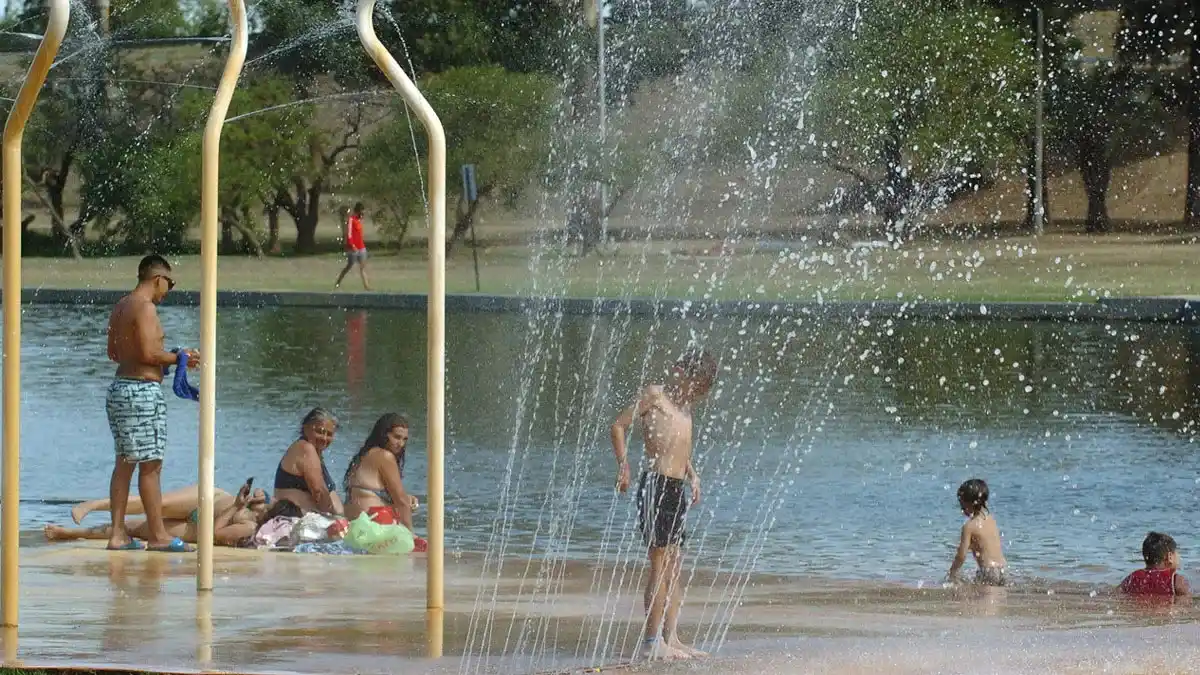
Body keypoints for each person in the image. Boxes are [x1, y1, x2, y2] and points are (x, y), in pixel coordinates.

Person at [610, 348, 718, 661]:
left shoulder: (685, 409)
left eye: (701, 391)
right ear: (680, 372)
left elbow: (680, 450)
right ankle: (651, 641)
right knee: (659, 566)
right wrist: (623, 466)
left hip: (677, 488)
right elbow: (618, 426)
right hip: (655, 485)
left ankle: (672, 638)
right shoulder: (655, 396)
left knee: (674, 568)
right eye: (694, 385)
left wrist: (694, 476)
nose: (695, 394)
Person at [105, 254, 199, 553]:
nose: (167, 291)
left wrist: (165, 357)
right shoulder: (145, 307)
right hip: (142, 392)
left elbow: (114, 354)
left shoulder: (121, 305)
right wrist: (181, 357)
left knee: (124, 463)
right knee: (151, 467)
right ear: (158, 278)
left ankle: (118, 534)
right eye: (169, 284)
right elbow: (148, 352)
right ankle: (158, 535)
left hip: (120, 388)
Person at [46, 484, 277, 548]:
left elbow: (214, 533)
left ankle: (73, 533)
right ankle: (95, 504)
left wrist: (235, 507)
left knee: (137, 528)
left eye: (265, 508)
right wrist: (253, 497)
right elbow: (260, 491)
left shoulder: (249, 525)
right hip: (207, 498)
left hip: (196, 528)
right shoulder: (263, 500)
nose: (261, 504)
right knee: (156, 503)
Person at [343, 413, 422, 531]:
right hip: (373, 528)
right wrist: (411, 535)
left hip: (352, 526)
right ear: (384, 434)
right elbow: (401, 502)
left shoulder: (364, 455)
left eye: (404, 439)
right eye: (396, 437)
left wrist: (406, 498)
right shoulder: (385, 456)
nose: (401, 444)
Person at [274, 407, 345, 515]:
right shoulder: (306, 449)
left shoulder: (315, 452)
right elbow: (318, 492)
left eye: (329, 434)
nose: (324, 438)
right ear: (306, 428)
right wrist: (334, 519)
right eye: (319, 432)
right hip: (296, 521)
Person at [947, 478, 1008, 586]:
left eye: (962, 505)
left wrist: (952, 573)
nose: (961, 510)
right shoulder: (991, 519)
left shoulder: (969, 526)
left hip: (987, 572)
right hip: (1003, 569)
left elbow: (961, 555)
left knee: (982, 600)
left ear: (971, 503)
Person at [1120, 532, 1192, 599]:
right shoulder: (1176, 580)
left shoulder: (1131, 578)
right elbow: (1187, 604)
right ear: (1169, 556)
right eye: (1176, 553)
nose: (1178, 557)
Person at [334, 202, 371, 290]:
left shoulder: (358, 220)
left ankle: (367, 287)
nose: (363, 214)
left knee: (362, 267)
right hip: (353, 248)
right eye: (362, 212)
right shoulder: (351, 220)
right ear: (358, 211)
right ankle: (338, 282)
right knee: (349, 266)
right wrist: (352, 245)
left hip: (361, 247)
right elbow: (349, 234)